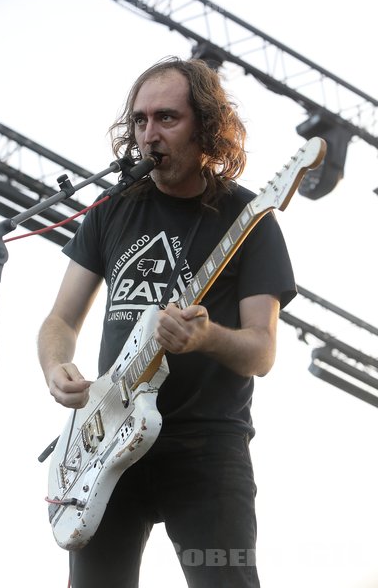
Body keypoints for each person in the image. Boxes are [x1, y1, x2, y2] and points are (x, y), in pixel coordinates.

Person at [38, 56, 297, 588]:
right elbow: (60, 320)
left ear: (206, 125)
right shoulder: (112, 208)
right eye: (139, 120)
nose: (148, 134)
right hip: (107, 440)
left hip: (206, 449)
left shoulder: (250, 221)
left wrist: (206, 337)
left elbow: (262, 352)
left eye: (166, 118)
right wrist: (57, 364)